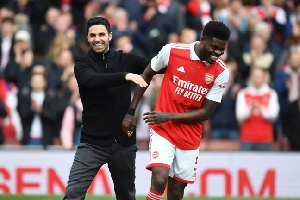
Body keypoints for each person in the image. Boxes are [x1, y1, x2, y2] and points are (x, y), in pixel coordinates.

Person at [122, 20, 230, 200]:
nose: (217, 53)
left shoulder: (221, 72)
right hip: (163, 130)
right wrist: (130, 112)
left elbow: (206, 113)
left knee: (175, 193)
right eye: (214, 47)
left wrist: (169, 115)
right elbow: (147, 75)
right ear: (203, 40)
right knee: (158, 180)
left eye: (222, 50)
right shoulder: (172, 51)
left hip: (189, 136)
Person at [63, 16, 149, 200]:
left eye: (101, 34)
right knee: (73, 194)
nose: (97, 38)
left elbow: (155, 65)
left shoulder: (124, 58)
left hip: (123, 142)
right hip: (92, 142)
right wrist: (125, 76)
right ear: (87, 38)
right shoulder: (82, 65)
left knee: (126, 196)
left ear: (110, 35)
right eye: (93, 35)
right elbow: (93, 81)